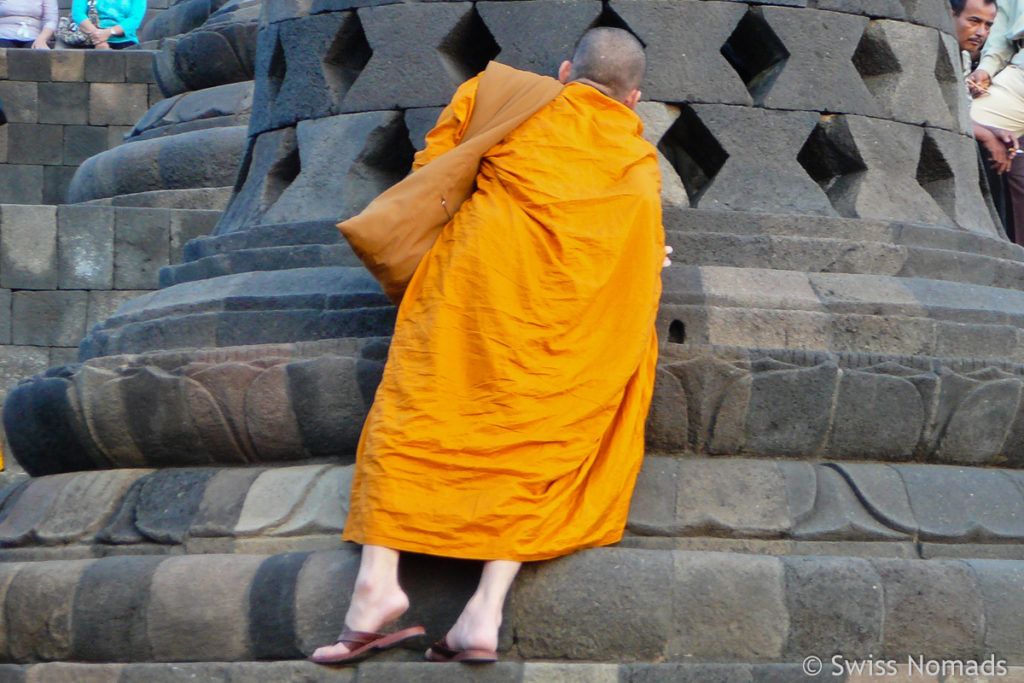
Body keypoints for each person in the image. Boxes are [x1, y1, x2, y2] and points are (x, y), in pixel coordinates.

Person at [310, 27, 664, 665]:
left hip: (474, 293)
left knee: (416, 414)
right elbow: (637, 256)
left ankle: (375, 587)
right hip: (566, 324)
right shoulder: (638, 163)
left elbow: (434, 168)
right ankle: (484, 610)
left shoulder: (499, 90)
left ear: (564, 71)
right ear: (633, 99)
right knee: (543, 437)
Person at [71, 0, 146, 49]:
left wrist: (109, 32)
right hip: (89, 40)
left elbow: (135, 19)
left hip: (124, 42)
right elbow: (78, 14)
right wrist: (98, 38)